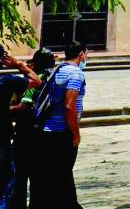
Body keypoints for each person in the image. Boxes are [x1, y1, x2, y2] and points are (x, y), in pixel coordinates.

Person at [30, 41, 86, 209]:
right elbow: (69, 105)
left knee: (52, 175)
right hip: (62, 132)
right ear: (82, 54)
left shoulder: (58, 70)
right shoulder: (76, 74)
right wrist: (76, 134)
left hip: (46, 130)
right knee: (63, 175)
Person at [10, 48, 55, 209]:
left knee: (20, 175)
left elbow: (24, 105)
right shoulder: (52, 78)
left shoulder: (34, 81)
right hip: (44, 132)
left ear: (35, 64)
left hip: (26, 132)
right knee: (38, 177)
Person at [0, 51, 43, 209]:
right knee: (5, 186)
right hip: (3, 140)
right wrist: (18, 64)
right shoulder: (6, 81)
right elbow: (36, 81)